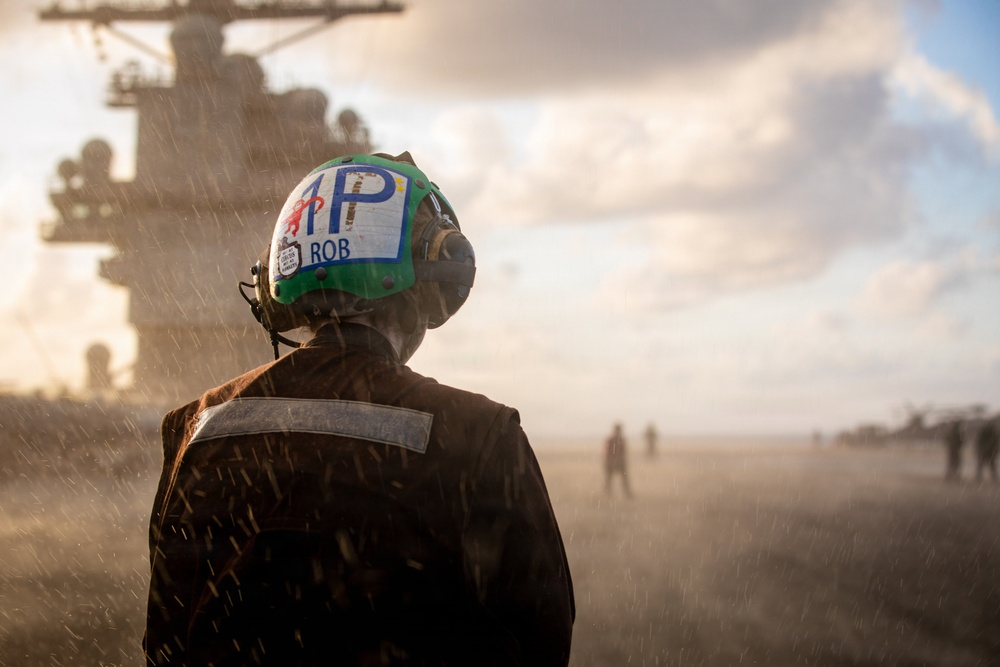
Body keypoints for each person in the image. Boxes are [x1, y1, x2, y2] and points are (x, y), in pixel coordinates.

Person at [143, 152, 575, 665]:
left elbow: (167, 637)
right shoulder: (481, 434)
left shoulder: (195, 425)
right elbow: (541, 641)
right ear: (434, 271)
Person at [603, 422, 631, 497]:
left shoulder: (621, 440)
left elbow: (623, 452)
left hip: (619, 462)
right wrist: (611, 460)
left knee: (624, 478)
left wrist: (620, 460)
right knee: (609, 478)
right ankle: (608, 492)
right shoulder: (611, 440)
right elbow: (608, 452)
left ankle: (627, 492)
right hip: (611, 462)